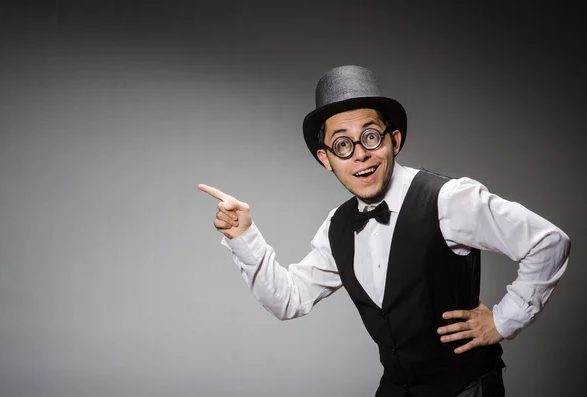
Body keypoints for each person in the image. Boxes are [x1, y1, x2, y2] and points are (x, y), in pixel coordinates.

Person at [197, 65, 570, 397]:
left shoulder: (448, 199)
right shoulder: (338, 227)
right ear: (325, 159)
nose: (359, 154)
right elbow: (288, 299)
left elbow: (548, 242)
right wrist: (243, 236)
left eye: (370, 137)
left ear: (394, 141)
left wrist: (504, 321)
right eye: (342, 144)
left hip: (465, 389)